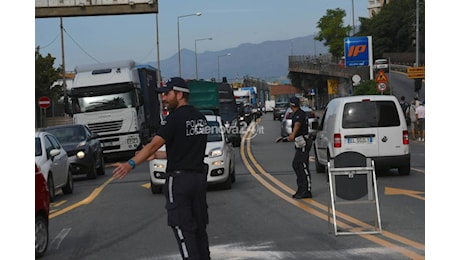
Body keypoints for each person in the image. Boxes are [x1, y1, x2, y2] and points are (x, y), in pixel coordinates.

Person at [112, 77, 211, 260]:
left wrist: (130, 164)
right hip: (198, 180)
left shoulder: (174, 119)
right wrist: (159, 156)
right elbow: (188, 150)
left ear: (180, 95)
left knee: (183, 229)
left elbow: (152, 145)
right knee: (198, 229)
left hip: (179, 182)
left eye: (167, 94)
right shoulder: (200, 118)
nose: (163, 98)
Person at [287, 97, 312, 199]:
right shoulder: (297, 113)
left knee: (302, 166)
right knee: (296, 164)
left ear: (291, 105)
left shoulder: (299, 114)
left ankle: (306, 190)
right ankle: (300, 189)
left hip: (303, 142)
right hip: (299, 142)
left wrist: (292, 135)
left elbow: (297, 125)